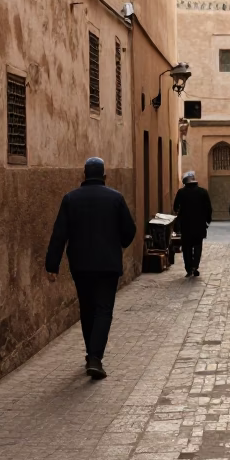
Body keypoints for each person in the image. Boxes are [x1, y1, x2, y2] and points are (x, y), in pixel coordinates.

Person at [45, 156, 137, 379]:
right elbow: (130, 230)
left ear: (83, 175)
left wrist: (52, 265)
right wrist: (118, 245)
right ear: (105, 176)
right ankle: (95, 357)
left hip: (81, 264)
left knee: (87, 308)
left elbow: (59, 234)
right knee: (104, 309)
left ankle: (91, 353)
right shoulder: (116, 199)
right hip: (108, 265)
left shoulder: (70, 199)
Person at [172, 170, 212, 277]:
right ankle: (195, 266)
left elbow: (175, 207)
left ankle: (189, 268)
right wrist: (207, 221)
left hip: (186, 226)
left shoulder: (181, 192)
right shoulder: (203, 192)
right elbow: (209, 208)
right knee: (198, 246)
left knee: (187, 247)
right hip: (200, 225)